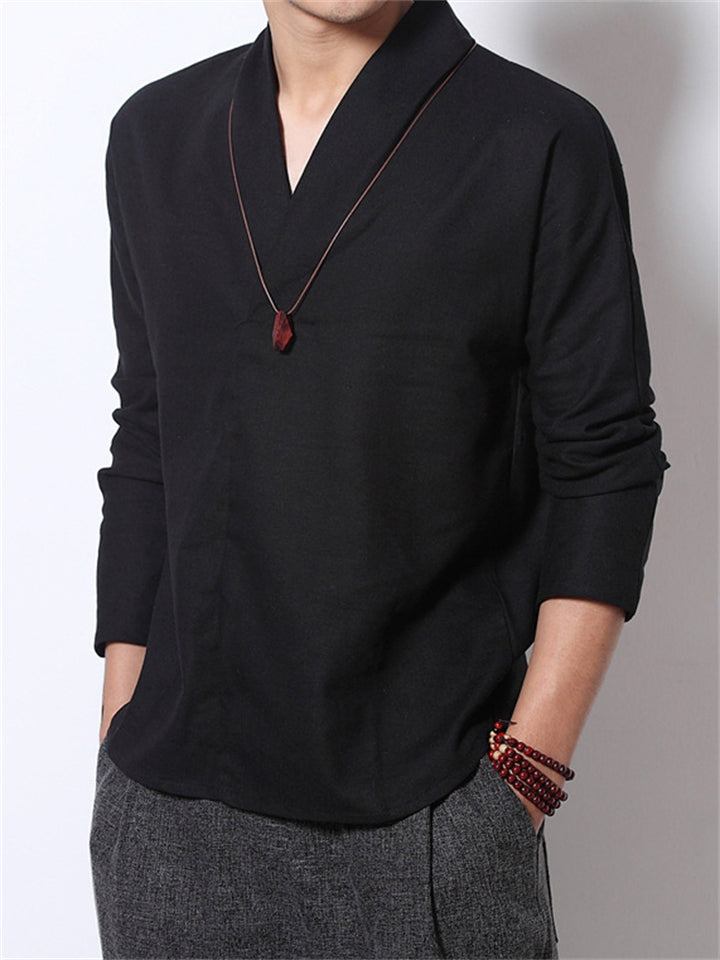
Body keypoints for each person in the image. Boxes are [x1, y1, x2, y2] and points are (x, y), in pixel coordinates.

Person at [88, 1, 669, 957]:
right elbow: (149, 440)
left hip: (425, 827)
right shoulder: (156, 135)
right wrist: (120, 736)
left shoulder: (538, 139)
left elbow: (606, 463)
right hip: (168, 832)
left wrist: (520, 786)